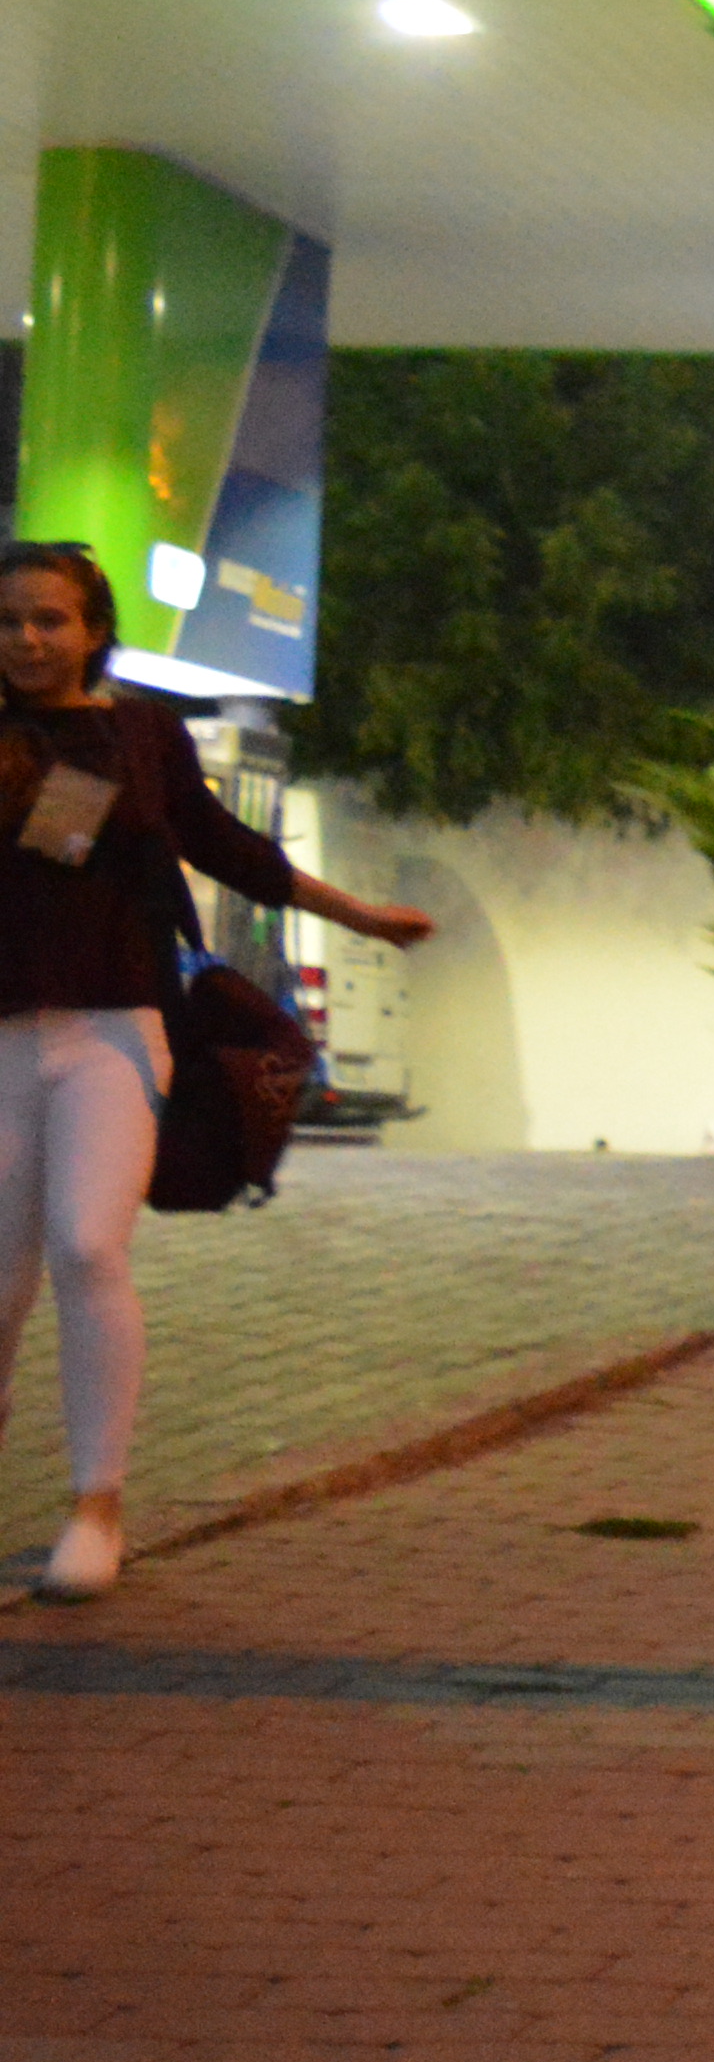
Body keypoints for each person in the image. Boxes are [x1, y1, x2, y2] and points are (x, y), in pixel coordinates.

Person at [0, 544, 433, 1603]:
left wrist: (360, 915)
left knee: (88, 1244)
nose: (26, 640)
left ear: (94, 626)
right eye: (8, 621)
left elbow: (228, 846)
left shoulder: (145, 734)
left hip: (114, 1033)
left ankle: (96, 1507)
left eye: (49, 619)